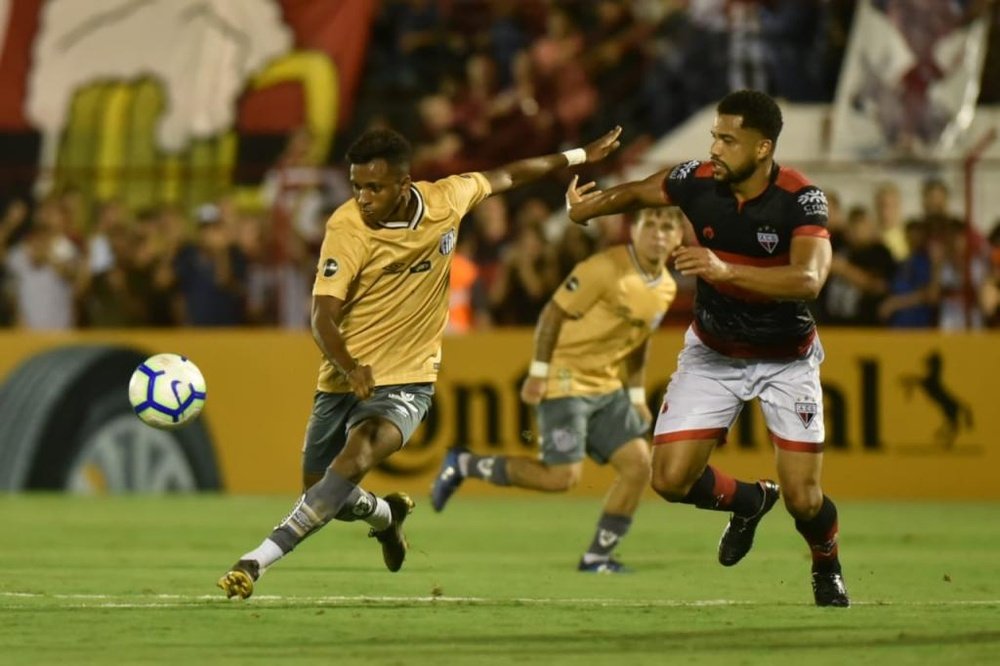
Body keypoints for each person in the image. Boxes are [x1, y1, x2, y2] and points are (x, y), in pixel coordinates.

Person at [217, 125, 623, 599]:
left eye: (374, 187)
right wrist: (349, 366)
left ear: (404, 185)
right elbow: (321, 316)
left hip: (409, 377)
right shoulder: (346, 229)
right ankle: (386, 518)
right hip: (344, 375)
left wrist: (578, 155)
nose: (363, 198)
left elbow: (509, 176)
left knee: (361, 451)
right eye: (357, 187)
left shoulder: (446, 199)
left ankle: (257, 560)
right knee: (319, 486)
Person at [563, 90, 849, 607]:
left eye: (727, 139)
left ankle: (826, 565)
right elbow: (636, 193)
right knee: (669, 479)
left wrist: (724, 270)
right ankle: (751, 501)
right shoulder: (697, 181)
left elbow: (809, 279)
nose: (714, 148)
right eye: (714, 135)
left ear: (762, 149)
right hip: (714, 352)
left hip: (786, 359)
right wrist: (588, 208)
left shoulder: (799, 197)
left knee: (805, 499)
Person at [430, 205, 684, 573]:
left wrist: (635, 395)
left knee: (638, 466)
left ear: (678, 238)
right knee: (560, 478)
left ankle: (597, 556)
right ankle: (465, 463)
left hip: (606, 386)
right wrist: (538, 372)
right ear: (635, 230)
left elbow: (639, 339)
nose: (658, 234)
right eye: (651, 225)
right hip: (565, 380)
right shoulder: (604, 268)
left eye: (667, 228)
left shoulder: (666, 287)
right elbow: (552, 314)